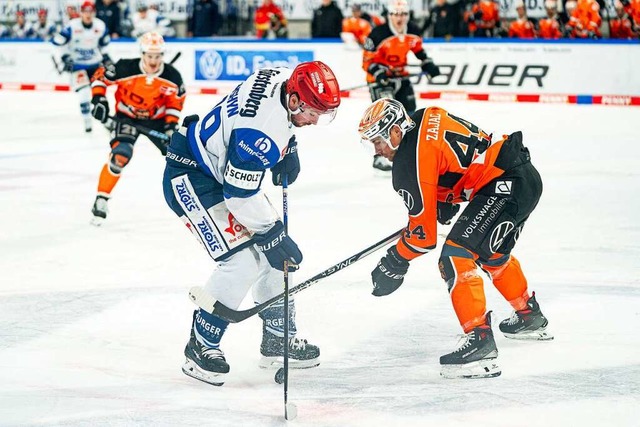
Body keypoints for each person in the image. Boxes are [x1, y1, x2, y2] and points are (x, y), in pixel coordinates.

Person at [161, 61, 341, 386]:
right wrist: (271, 233)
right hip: (192, 177)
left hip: (219, 166)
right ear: (295, 101)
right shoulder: (259, 134)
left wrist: (290, 146)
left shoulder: (281, 75)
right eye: (312, 113)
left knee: (276, 259)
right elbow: (239, 195)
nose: (314, 122)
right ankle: (201, 344)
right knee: (244, 262)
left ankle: (277, 339)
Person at [358, 98, 553, 379]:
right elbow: (451, 158)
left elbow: (422, 237)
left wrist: (395, 261)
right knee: (490, 254)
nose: (377, 150)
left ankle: (480, 340)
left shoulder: (407, 164)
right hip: (522, 176)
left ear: (395, 132)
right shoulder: (423, 116)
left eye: (378, 141)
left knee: (456, 256)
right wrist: (445, 194)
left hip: (503, 185)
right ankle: (529, 316)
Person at [89, 31, 185, 225]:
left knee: (179, 156)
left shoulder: (172, 77)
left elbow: (175, 103)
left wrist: (170, 125)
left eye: (158, 56)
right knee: (120, 155)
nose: (153, 61)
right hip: (127, 118)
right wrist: (99, 99)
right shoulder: (125, 67)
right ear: (142, 54)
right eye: (150, 56)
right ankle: (101, 199)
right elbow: (100, 77)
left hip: (157, 121)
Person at [362, 0, 440, 172]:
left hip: (400, 76)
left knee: (409, 114)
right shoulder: (378, 34)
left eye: (403, 14)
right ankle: (379, 157)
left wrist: (427, 63)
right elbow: (367, 61)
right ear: (389, 15)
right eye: (396, 14)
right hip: (379, 79)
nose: (400, 18)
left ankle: (407, 151)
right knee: (384, 118)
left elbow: (418, 50)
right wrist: (379, 73)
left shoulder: (413, 30)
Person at [52, 1, 111, 132]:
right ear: (81, 13)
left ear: (94, 13)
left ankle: (106, 120)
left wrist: (106, 58)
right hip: (78, 65)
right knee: (84, 93)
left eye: (91, 12)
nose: (88, 15)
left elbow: (104, 45)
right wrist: (64, 57)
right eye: (85, 11)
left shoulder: (100, 26)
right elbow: (57, 42)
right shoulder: (72, 26)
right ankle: (87, 122)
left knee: (99, 93)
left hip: (95, 64)